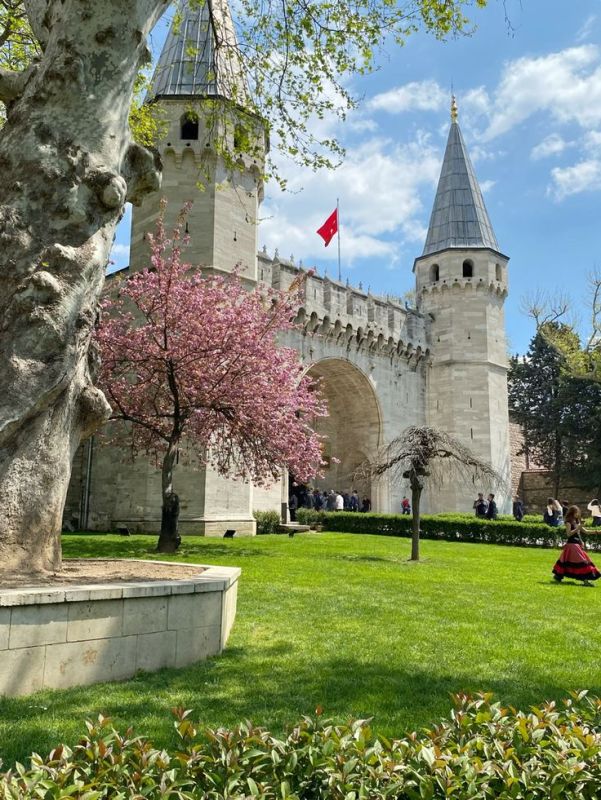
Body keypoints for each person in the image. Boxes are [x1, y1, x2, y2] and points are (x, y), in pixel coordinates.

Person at [552, 505, 601, 586]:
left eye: (578, 512)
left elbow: (586, 531)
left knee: (568, 563)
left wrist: (597, 531)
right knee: (583, 562)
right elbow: (568, 534)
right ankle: (585, 581)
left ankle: (557, 577)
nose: (578, 514)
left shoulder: (577, 522)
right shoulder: (568, 522)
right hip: (572, 545)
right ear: (573, 513)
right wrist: (579, 527)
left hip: (576, 545)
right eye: (577, 512)